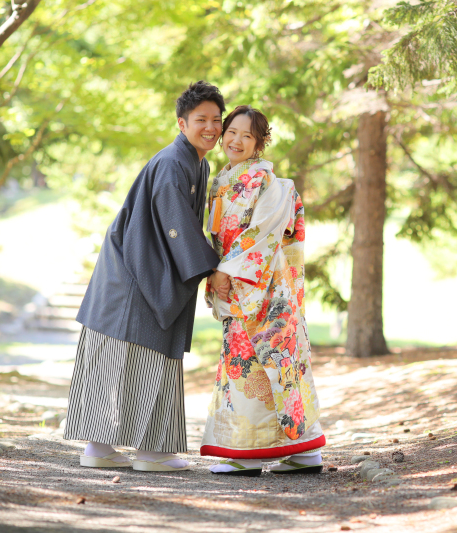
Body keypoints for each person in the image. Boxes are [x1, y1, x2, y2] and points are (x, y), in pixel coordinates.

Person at [64, 81, 232, 472]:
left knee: (116, 361)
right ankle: (150, 452)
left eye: (216, 121)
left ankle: (101, 448)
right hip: (137, 274)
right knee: (139, 357)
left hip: (139, 269)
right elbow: (177, 228)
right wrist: (210, 268)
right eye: (201, 120)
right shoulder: (174, 164)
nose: (211, 128)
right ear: (181, 123)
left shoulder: (196, 161)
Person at [200, 105, 325, 476]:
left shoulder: (269, 183)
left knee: (259, 364)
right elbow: (217, 236)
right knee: (273, 365)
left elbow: (262, 234)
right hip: (239, 281)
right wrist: (216, 269)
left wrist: (224, 271)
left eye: (247, 135)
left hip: (262, 287)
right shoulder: (222, 180)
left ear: (259, 143)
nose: (236, 140)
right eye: (232, 132)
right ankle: (301, 451)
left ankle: (245, 452)